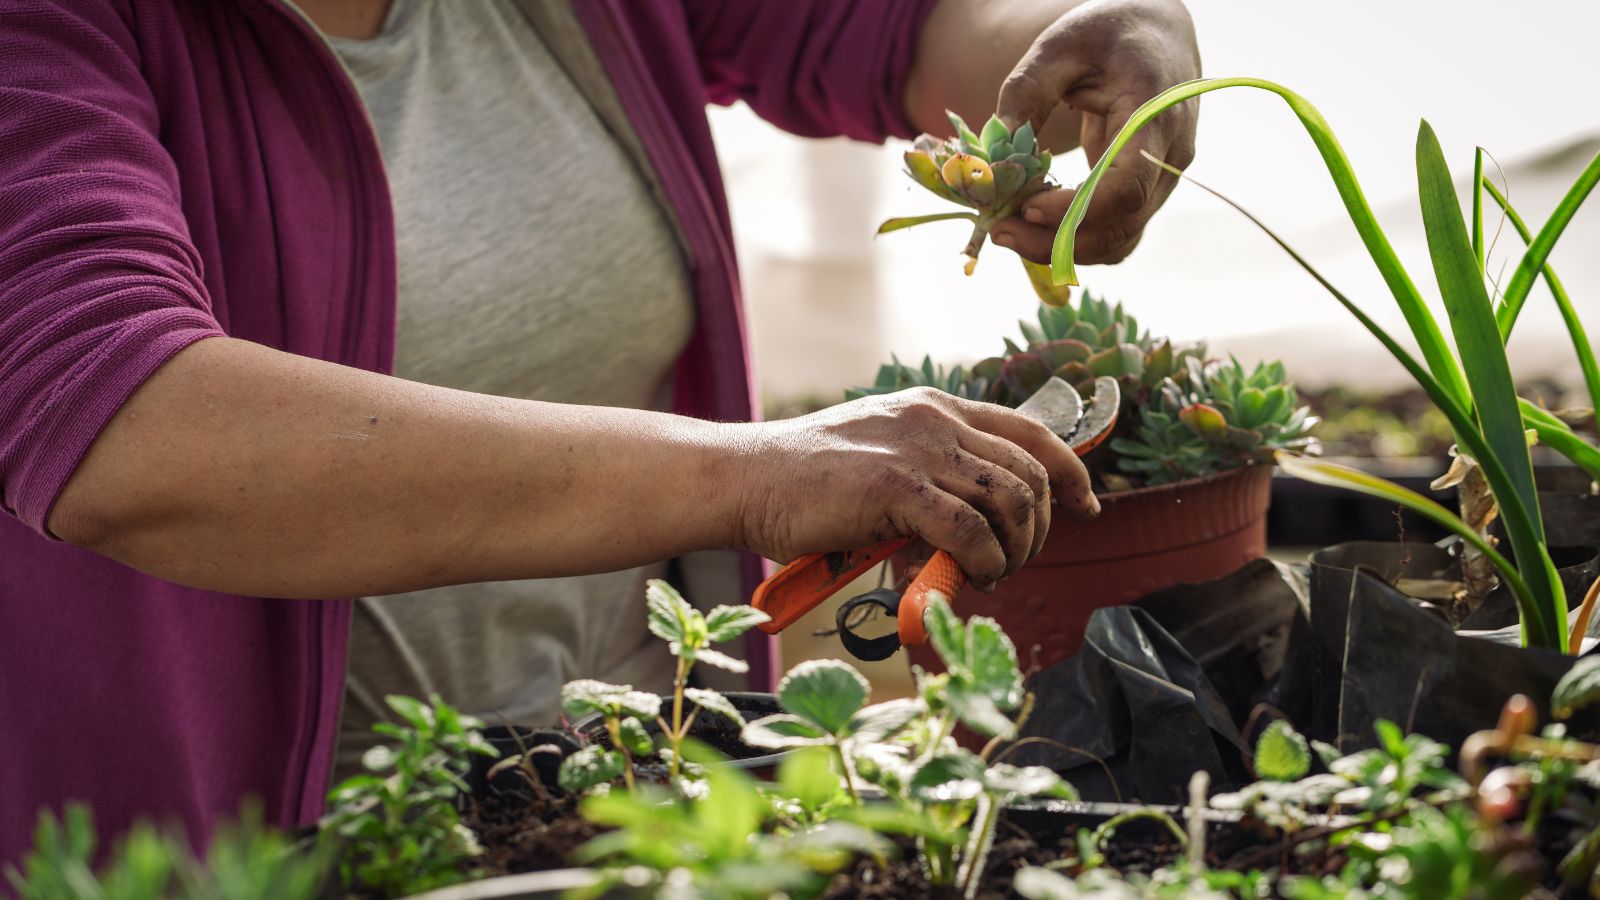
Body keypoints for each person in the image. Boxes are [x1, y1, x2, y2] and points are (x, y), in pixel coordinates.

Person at [0, 0, 1199, 865]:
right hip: (273, 849)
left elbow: (900, 30)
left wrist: (1108, 33)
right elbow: (122, 420)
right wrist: (759, 474)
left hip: (623, 802)